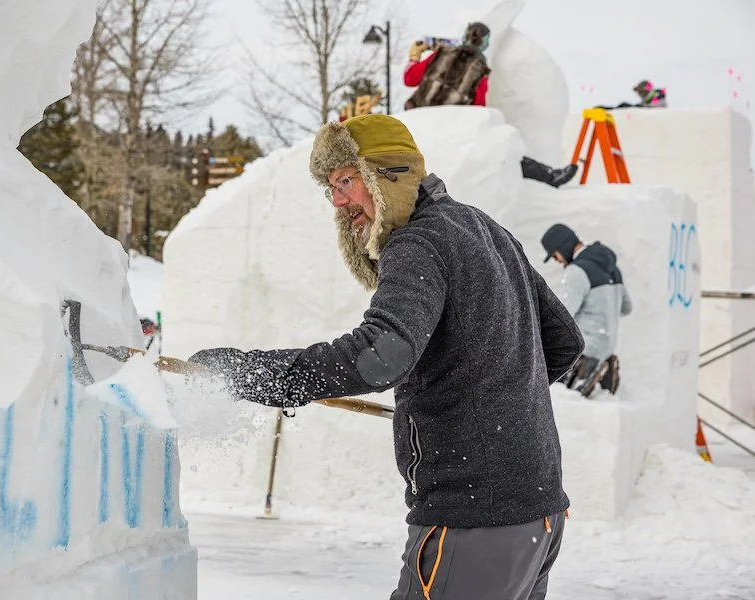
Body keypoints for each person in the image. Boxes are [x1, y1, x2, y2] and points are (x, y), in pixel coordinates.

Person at [188, 114, 585, 599]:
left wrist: (247, 375)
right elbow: (564, 341)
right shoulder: (482, 228)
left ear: (386, 173)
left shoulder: (417, 243)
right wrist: (483, 399)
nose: (337, 201)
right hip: (537, 517)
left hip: (473, 518)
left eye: (345, 181)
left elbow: (379, 354)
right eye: (329, 188)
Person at [403, 22, 579, 189]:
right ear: (484, 43)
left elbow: (409, 78)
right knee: (503, 149)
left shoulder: (441, 54)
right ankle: (550, 176)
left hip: (418, 124)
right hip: (449, 130)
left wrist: (414, 56)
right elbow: (479, 109)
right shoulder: (479, 68)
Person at [541, 223, 632, 397]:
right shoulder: (613, 270)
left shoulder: (576, 271)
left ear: (562, 246)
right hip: (606, 357)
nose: (557, 261)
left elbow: (560, 316)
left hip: (581, 362)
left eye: (555, 255)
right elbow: (627, 308)